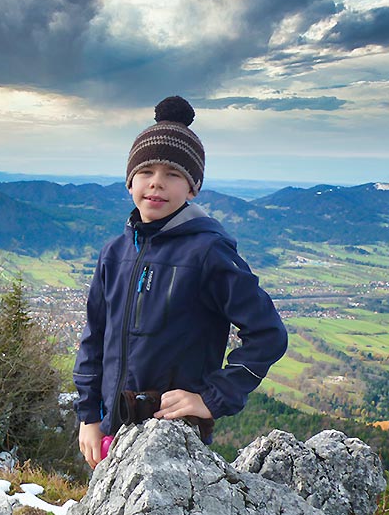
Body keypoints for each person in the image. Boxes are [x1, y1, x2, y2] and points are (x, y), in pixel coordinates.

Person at [73, 96, 288, 468]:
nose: (156, 183)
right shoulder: (115, 252)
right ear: (129, 182)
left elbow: (269, 333)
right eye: (146, 172)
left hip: (175, 438)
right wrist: (88, 416)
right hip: (112, 429)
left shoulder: (207, 252)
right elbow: (95, 338)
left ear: (192, 189)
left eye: (173, 175)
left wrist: (211, 398)